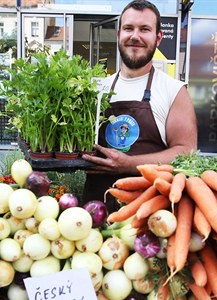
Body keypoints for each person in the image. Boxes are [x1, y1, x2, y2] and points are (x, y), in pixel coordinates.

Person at [81, 0, 197, 207]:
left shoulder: (173, 90)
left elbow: (186, 152)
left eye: (145, 29)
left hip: (150, 214)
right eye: (128, 28)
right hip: (93, 213)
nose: (135, 36)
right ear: (118, 35)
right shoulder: (96, 89)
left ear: (158, 37)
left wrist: (128, 164)